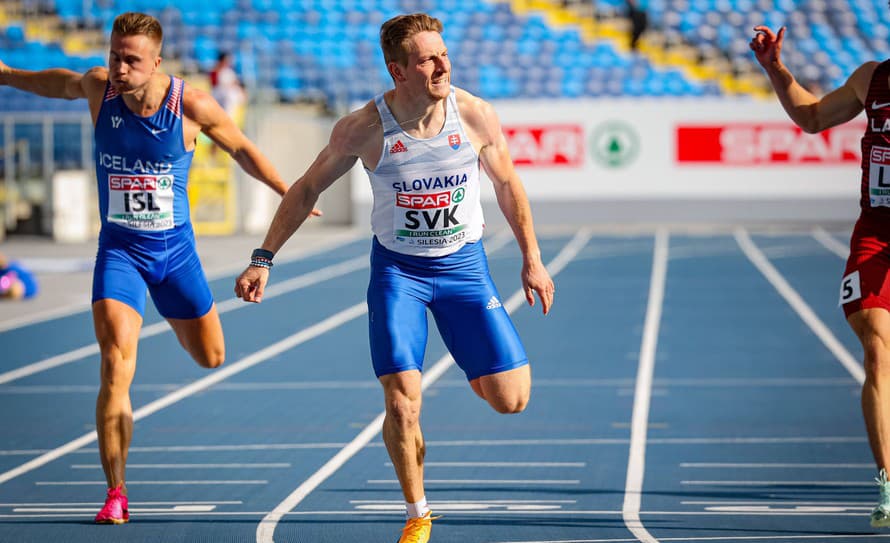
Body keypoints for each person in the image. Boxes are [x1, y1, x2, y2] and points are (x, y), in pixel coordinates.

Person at [235, 13, 555, 543]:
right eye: (428, 58)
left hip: (463, 268)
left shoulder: (474, 115)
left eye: (444, 54)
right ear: (398, 70)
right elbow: (307, 188)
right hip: (398, 273)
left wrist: (533, 258)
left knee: (510, 398)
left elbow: (507, 185)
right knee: (403, 402)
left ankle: (468, 354)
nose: (442, 65)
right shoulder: (363, 128)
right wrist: (263, 258)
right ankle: (417, 514)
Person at [0, 11, 296, 525]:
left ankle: (174, 317)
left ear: (156, 62)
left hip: (176, 257)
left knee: (212, 357)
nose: (117, 66)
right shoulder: (100, 90)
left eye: (130, 59)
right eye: (114, 55)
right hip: (120, 255)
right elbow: (58, 83)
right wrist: (6, 75)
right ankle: (116, 492)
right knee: (116, 364)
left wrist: (288, 191)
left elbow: (243, 149)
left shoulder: (191, 106)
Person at [751, 25, 890, 528]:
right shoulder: (871, 78)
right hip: (877, 235)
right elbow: (811, 117)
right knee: (876, 351)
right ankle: (888, 485)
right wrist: (775, 69)